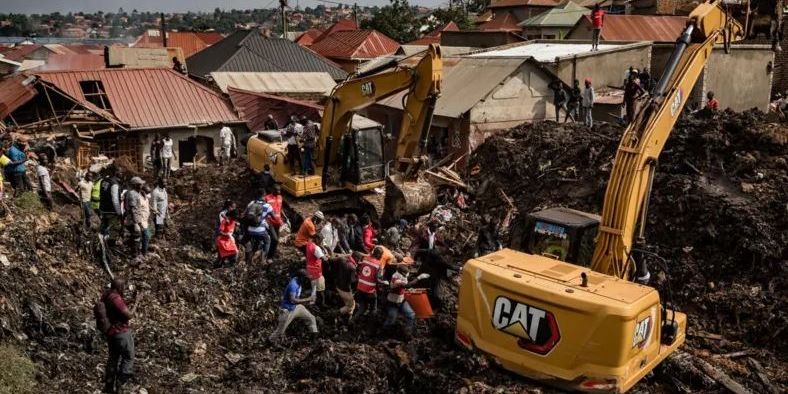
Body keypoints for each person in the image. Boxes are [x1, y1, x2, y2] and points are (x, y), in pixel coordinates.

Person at [101, 278, 136, 394]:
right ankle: (121, 384)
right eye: (123, 288)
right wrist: (137, 303)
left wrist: (130, 301)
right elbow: (129, 315)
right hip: (121, 332)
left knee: (113, 358)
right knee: (128, 357)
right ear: (119, 287)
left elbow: (117, 308)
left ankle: (109, 385)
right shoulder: (116, 298)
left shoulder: (107, 295)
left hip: (110, 333)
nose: (124, 290)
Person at [269, 269, 318, 342]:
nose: (306, 280)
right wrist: (308, 299)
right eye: (305, 278)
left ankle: (314, 339)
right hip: (287, 310)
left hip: (296, 307)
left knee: (311, 318)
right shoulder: (293, 285)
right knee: (279, 332)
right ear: (301, 278)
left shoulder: (298, 280)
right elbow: (293, 300)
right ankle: (269, 342)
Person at [383, 264, 429, 332]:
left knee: (411, 314)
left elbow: (406, 283)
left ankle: (408, 331)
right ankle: (385, 331)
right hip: (392, 303)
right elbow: (407, 285)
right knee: (391, 319)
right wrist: (419, 277)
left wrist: (408, 290)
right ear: (401, 272)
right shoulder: (396, 279)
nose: (407, 274)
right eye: (406, 273)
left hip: (402, 301)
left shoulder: (401, 276)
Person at [353, 247, 384, 321]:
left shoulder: (364, 259)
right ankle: (370, 325)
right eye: (381, 255)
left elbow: (358, 269)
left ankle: (352, 320)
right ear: (379, 254)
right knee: (374, 308)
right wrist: (383, 283)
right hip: (369, 290)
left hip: (359, 287)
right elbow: (378, 279)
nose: (381, 256)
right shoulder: (378, 264)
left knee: (362, 307)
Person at [243, 191, 274, 264]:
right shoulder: (268, 206)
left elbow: (245, 214)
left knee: (250, 242)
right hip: (260, 230)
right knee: (267, 240)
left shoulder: (251, 203)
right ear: (264, 195)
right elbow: (274, 217)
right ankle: (263, 260)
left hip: (249, 229)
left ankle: (248, 259)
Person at [99, 167, 123, 242]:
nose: (121, 174)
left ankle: (101, 242)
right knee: (111, 229)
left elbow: (102, 194)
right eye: (120, 172)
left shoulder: (103, 181)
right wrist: (119, 212)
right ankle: (108, 245)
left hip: (103, 208)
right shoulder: (114, 184)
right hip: (111, 210)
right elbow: (115, 199)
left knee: (104, 226)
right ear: (116, 172)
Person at [124, 177, 145, 259]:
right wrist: (136, 223)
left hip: (136, 219)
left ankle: (136, 253)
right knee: (136, 236)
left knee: (137, 237)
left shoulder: (136, 193)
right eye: (140, 184)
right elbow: (133, 209)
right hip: (132, 220)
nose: (142, 185)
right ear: (135, 185)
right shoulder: (132, 194)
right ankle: (134, 255)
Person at [304, 234, 328, 306]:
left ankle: (312, 302)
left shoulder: (309, 244)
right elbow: (324, 259)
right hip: (316, 271)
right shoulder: (316, 248)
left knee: (313, 287)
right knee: (320, 289)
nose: (321, 242)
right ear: (317, 239)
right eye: (320, 240)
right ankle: (321, 304)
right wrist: (326, 254)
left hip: (309, 268)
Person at [334, 253, 359, 320]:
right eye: (358, 259)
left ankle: (349, 317)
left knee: (351, 303)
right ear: (356, 258)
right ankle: (334, 314)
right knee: (350, 306)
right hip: (345, 289)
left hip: (337, 285)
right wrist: (358, 277)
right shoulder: (353, 267)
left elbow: (336, 258)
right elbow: (353, 280)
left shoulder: (342, 260)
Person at [264, 185, 285, 260]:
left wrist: (284, 218)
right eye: (277, 190)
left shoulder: (280, 197)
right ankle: (269, 257)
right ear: (272, 190)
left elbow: (280, 208)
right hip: (270, 222)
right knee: (275, 239)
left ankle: (272, 255)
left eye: (279, 190)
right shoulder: (267, 198)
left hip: (278, 222)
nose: (278, 192)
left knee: (276, 240)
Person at [139, 185, 152, 256]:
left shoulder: (145, 198)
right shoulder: (139, 199)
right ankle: (144, 253)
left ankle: (144, 250)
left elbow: (147, 205)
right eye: (147, 193)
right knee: (146, 236)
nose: (148, 194)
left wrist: (154, 209)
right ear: (142, 191)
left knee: (148, 236)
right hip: (141, 221)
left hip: (145, 220)